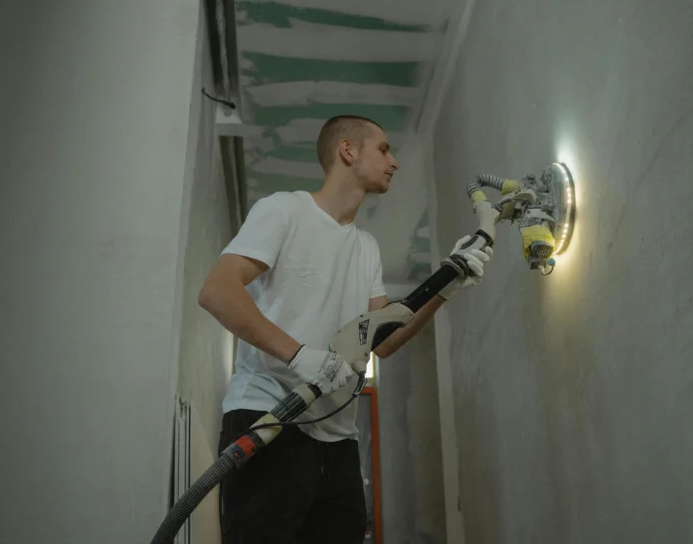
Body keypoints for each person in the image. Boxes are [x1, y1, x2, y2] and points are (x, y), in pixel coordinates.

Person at [197, 114, 493, 543]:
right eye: (384, 149)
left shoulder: (365, 247)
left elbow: (384, 340)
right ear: (348, 151)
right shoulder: (284, 210)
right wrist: (298, 356)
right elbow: (218, 292)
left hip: (338, 440)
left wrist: (446, 286)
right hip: (269, 417)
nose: (394, 162)